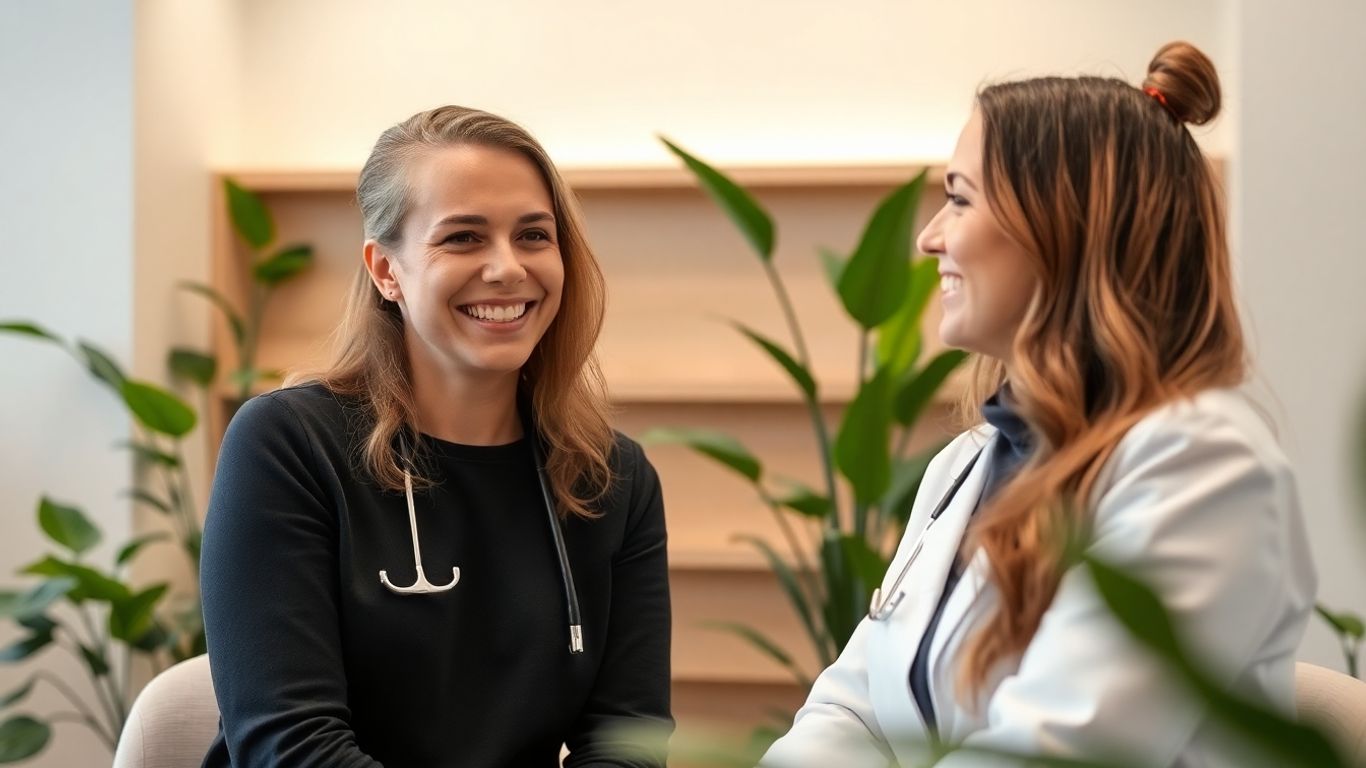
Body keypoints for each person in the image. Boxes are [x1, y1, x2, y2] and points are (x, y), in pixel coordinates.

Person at [760, 42, 1316, 767]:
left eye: (958, 198)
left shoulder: (1208, 470)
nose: (930, 237)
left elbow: (1051, 754)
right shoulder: (969, 463)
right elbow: (853, 709)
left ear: (1062, 227)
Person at [200, 106, 672, 768]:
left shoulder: (613, 477)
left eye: (534, 235)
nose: (508, 268)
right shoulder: (287, 445)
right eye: (463, 238)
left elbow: (628, 738)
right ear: (385, 270)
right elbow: (291, 746)